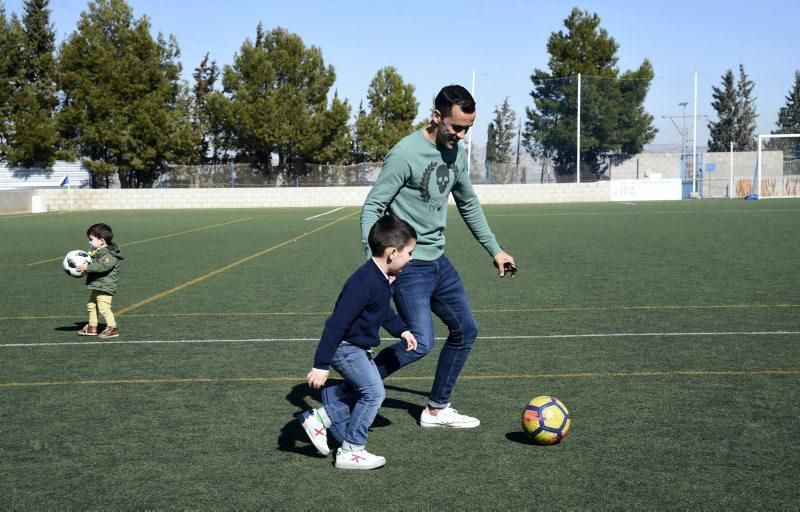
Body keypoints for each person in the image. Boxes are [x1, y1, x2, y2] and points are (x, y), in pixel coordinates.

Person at [353, 84, 516, 429]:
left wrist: (495, 249)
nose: (461, 135)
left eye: (467, 129)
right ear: (436, 116)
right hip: (408, 266)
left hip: (439, 261)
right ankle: (351, 391)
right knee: (421, 342)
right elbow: (373, 206)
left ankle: (437, 409)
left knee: (465, 331)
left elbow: (468, 203)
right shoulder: (405, 153)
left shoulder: (456, 154)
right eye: (456, 127)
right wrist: (376, 263)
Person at [299, 215, 418, 470]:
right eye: (409, 253)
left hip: (358, 349)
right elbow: (335, 324)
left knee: (363, 393)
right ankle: (351, 451)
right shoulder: (363, 283)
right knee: (374, 393)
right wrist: (321, 365)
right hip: (345, 350)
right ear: (391, 253)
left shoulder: (381, 279)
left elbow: (382, 311)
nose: (410, 259)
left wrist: (402, 331)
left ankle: (319, 418)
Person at [75, 223, 124, 338]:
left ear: (102, 241)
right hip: (98, 285)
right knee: (91, 305)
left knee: (104, 308)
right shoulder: (97, 252)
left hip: (105, 286)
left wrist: (88, 267)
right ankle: (92, 327)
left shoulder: (109, 255)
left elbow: (102, 266)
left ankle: (112, 328)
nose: (89, 242)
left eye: (91, 239)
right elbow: (94, 263)